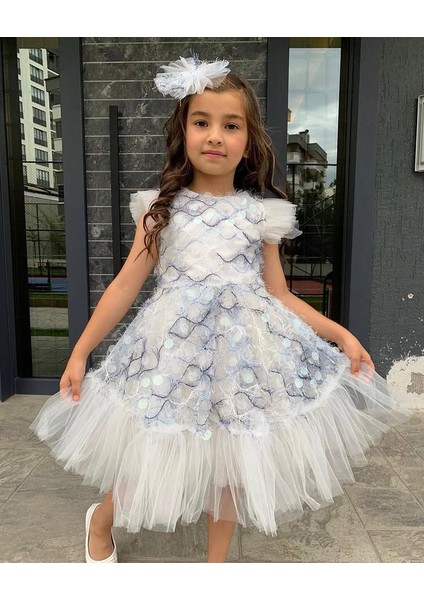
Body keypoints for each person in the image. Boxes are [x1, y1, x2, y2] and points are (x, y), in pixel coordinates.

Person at [30, 55, 412, 564]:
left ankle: (216, 569)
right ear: (183, 132)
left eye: (231, 125)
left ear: (249, 141)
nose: (215, 136)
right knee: (151, 453)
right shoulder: (160, 212)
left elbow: (279, 294)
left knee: (232, 462)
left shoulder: (261, 215)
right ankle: (101, 521)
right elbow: (124, 287)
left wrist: (339, 334)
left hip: (242, 362)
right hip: (171, 357)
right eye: (201, 122)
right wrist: (80, 351)